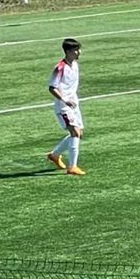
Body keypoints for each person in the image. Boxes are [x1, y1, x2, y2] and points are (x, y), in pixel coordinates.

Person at [47, 38, 87, 176]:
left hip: (74, 104)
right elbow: (52, 88)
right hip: (63, 107)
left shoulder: (75, 65)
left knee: (78, 134)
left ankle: (55, 155)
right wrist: (64, 100)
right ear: (68, 51)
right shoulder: (60, 68)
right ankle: (72, 167)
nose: (79, 52)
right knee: (75, 132)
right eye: (76, 50)